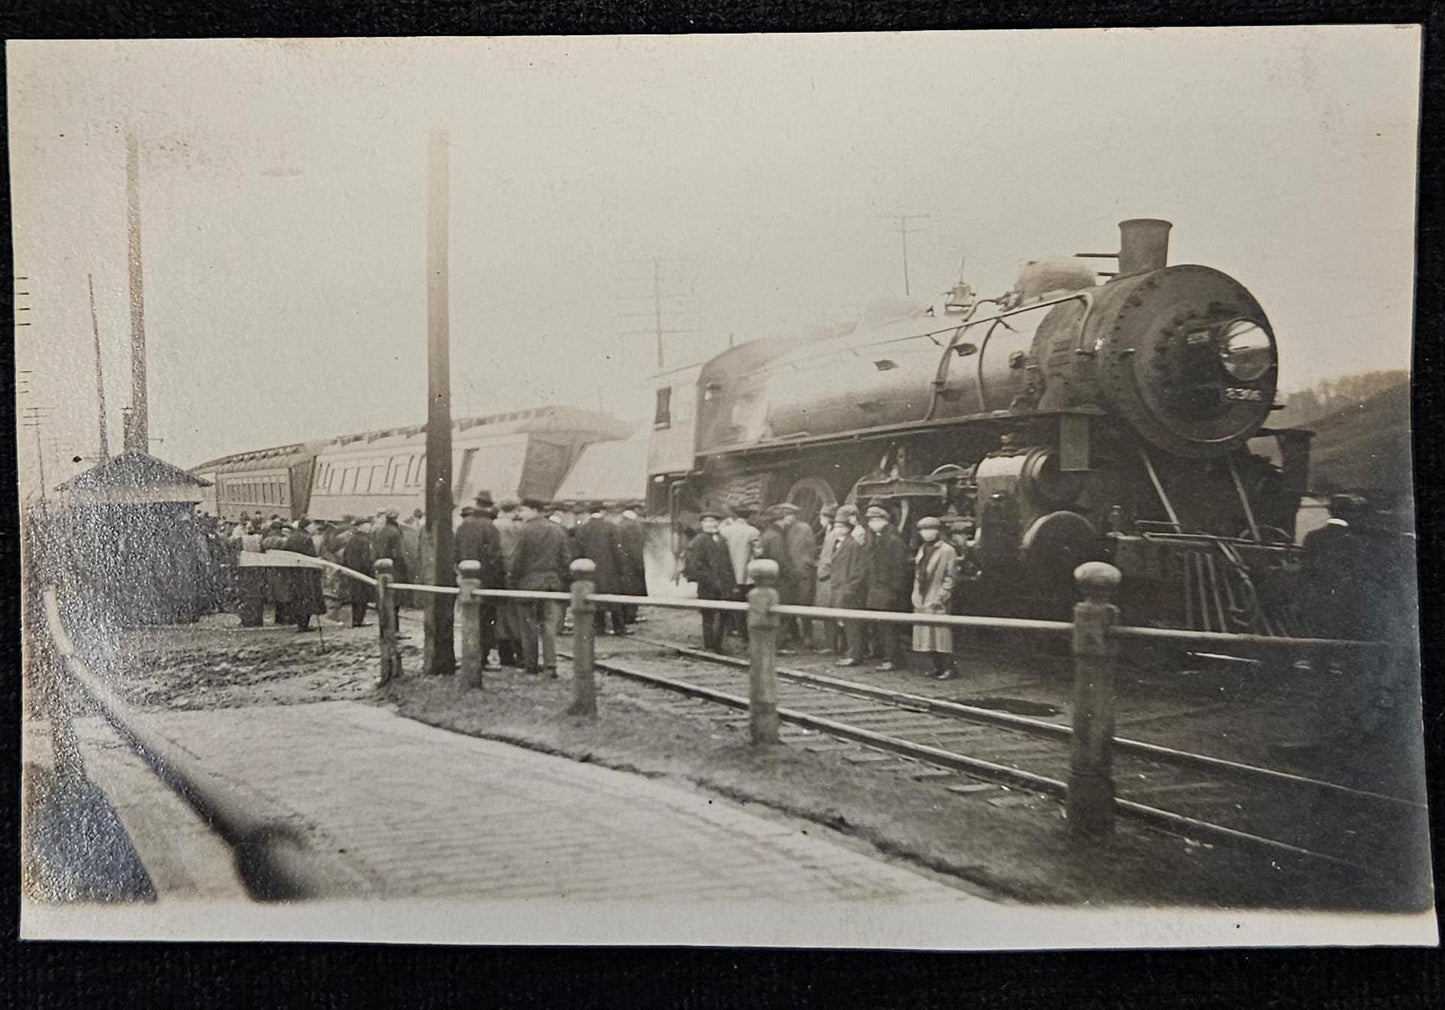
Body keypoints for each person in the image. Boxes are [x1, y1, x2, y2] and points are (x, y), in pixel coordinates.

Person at [509, 498, 571, 676]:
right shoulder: (557, 530)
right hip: (551, 584)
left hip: (528, 585)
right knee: (549, 626)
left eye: (523, 510)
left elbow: (517, 560)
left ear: (534, 510)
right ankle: (551, 666)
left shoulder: (524, 531)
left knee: (529, 627)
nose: (521, 514)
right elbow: (565, 559)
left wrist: (513, 581)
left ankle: (531, 665)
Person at [455, 496, 506, 666]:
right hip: (487, 579)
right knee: (486, 621)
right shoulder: (489, 526)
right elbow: (495, 555)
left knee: (469, 617)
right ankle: (481, 657)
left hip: (466, 576)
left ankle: (469, 654)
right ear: (489, 507)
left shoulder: (464, 525)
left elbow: (455, 551)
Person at [911, 516, 959, 680]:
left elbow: (950, 577)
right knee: (927, 635)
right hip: (923, 596)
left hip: (937, 596)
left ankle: (948, 667)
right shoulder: (923, 549)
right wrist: (916, 596)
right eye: (923, 530)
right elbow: (918, 574)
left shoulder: (947, 550)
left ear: (938, 531)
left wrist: (941, 597)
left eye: (930, 529)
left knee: (941, 635)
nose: (927, 533)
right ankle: (934, 667)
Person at [864, 505, 912, 670]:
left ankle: (891, 659)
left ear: (884, 521)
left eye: (875, 520)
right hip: (877, 589)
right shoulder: (877, 538)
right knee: (880, 627)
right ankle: (886, 656)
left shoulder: (893, 541)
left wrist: (894, 591)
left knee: (887, 628)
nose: (871, 523)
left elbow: (899, 569)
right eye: (870, 520)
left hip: (886, 590)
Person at [683, 510, 737, 652]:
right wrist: (710, 580)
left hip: (724, 585)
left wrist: (732, 584)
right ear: (701, 524)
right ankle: (710, 645)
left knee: (723, 615)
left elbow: (728, 564)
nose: (710, 524)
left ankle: (718, 644)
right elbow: (693, 567)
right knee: (708, 617)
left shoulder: (721, 539)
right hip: (708, 586)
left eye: (713, 521)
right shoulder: (699, 540)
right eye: (706, 521)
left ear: (718, 523)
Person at [573, 502, 629, 635]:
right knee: (614, 598)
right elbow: (618, 551)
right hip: (610, 570)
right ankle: (619, 627)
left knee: (595, 597)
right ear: (602, 511)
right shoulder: (611, 527)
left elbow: (578, 552)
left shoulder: (583, 529)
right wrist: (623, 570)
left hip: (590, 571)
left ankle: (599, 627)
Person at [812, 505, 853, 651]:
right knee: (829, 613)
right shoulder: (830, 532)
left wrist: (823, 572)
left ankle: (837, 645)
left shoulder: (834, 535)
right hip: (827, 578)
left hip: (829, 578)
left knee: (835, 612)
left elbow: (830, 558)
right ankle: (833, 644)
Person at [832, 521, 871, 666]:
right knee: (847, 623)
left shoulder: (853, 545)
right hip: (841, 587)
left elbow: (859, 570)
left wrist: (850, 588)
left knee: (852, 624)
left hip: (850, 590)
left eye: (841, 527)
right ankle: (853, 651)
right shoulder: (840, 543)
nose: (837, 530)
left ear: (848, 529)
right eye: (835, 527)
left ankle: (855, 654)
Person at [720, 506, 760, 639]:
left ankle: (729, 629)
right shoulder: (753, 531)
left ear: (735, 516)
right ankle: (744, 632)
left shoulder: (724, 531)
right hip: (745, 574)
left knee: (728, 601)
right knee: (744, 603)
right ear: (748, 517)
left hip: (728, 573)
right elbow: (759, 552)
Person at [282, 519, 327, 632]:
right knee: (308, 598)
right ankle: (304, 625)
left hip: (294, 573)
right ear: (307, 527)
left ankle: (300, 624)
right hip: (306, 574)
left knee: (297, 598)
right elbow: (310, 556)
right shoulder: (306, 539)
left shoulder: (291, 538)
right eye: (311, 525)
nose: (313, 528)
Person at [494, 500, 525, 667]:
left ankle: (504, 654)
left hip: (496, 575)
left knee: (501, 617)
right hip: (509, 575)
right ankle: (516, 655)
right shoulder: (512, 528)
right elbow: (512, 553)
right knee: (512, 617)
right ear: (512, 511)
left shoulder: (494, 524)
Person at [615, 506, 649, 624]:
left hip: (623, 564)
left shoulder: (620, 523)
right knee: (634, 590)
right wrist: (640, 565)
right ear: (635, 510)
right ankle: (630, 617)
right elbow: (635, 549)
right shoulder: (632, 526)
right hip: (632, 564)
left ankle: (625, 616)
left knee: (624, 589)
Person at [340, 518, 375, 626]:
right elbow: (366, 559)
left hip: (352, 571)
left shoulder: (352, 539)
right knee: (362, 598)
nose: (369, 527)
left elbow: (345, 555)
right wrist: (370, 570)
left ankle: (356, 619)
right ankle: (359, 620)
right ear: (361, 527)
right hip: (362, 573)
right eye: (367, 525)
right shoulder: (364, 540)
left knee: (356, 597)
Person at [372, 507, 408, 605]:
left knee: (383, 597)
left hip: (381, 566)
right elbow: (398, 553)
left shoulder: (381, 531)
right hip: (393, 567)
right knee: (394, 598)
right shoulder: (395, 532)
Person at [236, 519, 267, 627]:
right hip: (257, 568)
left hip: (245, 570)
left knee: (246, 595)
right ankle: (257, 619)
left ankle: (248, 619)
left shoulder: (241, 539)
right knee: (257, 595)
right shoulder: (259, 539)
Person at [261, 519, 291, 625]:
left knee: (274, 593)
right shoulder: (283, 540)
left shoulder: (265, 540)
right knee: (284, 592)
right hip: (282, 569)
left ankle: (277, 617)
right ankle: (284, 618)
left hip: (271, 569)